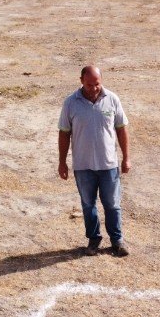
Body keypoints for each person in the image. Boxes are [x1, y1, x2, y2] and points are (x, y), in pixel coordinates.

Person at [57, 65, 131, 257]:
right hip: (83, 166)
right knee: (88, 204)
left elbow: (121, 129)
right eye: (89, 84)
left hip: (109, 165)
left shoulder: (112, 99)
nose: (94, 88)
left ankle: (117, 240)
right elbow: (64, 134)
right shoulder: (70, 103)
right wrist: (62, 162)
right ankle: (94, 239)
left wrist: (126, 158)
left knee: (112, 204)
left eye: (97, 84)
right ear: (81, 80)